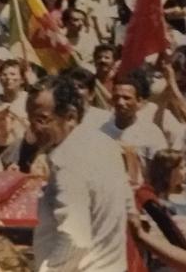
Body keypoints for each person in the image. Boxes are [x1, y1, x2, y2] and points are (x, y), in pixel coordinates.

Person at [27, 75, 133, 271]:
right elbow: (129, 208)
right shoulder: (106, 144)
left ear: (70, 116)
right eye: (31, 119)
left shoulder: (68, 160)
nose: (34, 128)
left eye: (42, 120)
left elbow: (75, 239)